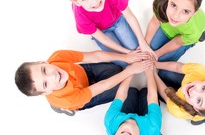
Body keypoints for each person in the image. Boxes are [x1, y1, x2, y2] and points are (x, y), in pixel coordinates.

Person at [65, 0, 157, 66]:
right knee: (122, 62)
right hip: (102, 32)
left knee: (135, 47)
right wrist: (127, 53)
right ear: (77, 2)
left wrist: (142, 42)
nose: (94, 1)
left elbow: (130, 17)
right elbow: (103, 38)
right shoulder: (80, 14)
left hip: (117, 21)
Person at [15, 49, 151, 115]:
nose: (53, 76)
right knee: (123, 87)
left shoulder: (57, 57)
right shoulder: (69, 99)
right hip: (81, 96)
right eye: (45, 84)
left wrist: (126, 57)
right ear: (46, 92)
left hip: (82, 72)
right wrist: (130, 71)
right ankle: (59, 106)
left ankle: (121, 70)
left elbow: (94, 56)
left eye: (44, 70)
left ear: (43, 62)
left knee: (116, 68)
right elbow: (102, 86)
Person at [145, 0, 205, 83]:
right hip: (168, 29)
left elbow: (177, 41)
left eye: (185, 11)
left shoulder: (193, 30)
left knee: (161, 60)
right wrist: (144, 45)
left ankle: (196, 38)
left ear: (194, 13)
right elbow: (155, 22)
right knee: (151, 47)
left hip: (185, 36)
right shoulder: (162, 4)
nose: (175, 15)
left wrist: (157, 54)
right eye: (173, 5)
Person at [104, 64, 162, 135]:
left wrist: (131, 69)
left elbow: (121, 94)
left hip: (130, 118)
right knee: (146, 91)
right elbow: (152, 96)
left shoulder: (110, 121)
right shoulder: (153, 127)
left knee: (132, 91)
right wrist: (149, 71)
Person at [154, 61, 205, 125]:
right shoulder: (199, 71)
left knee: (197, 121)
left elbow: (165, 93)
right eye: (203, 88)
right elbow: (177, 67)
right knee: (164, 73)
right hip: (189, 84)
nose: (193, 91)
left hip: (197, 115)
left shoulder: (178, 110)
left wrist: (152, 72)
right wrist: (155, 64)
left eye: (199, 100)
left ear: (196, 109)